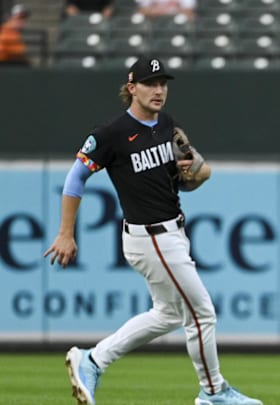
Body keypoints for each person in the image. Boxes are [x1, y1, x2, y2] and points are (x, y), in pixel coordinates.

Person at [43, 56, 262, 405]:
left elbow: (197, 174)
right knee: (201, 312)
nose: (158, 90)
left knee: (169, 314)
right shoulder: (111, 134)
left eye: (163, 83)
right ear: (132, 88)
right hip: (152, 236)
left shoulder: (167, 125)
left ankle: (93, 359)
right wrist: (66, 232)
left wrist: (187, 171)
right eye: (149, 83)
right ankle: (213, 392)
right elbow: (76, 176)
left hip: (172, 232)